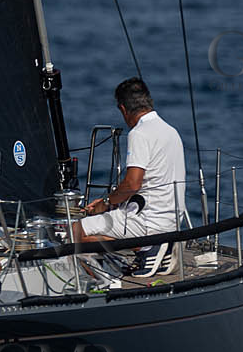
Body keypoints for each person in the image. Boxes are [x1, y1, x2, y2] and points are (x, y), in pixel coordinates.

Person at [74, 77, 186, 277]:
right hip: (170, 220)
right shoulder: (171, 132)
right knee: (102, 223)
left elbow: (133, 184)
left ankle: (145, 249)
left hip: (148, 222)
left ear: (123, 109)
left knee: (74, 232)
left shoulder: (140, 133)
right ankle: (156, 248)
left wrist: (105, 203)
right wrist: (112, 204)